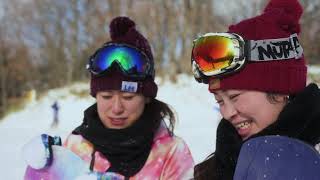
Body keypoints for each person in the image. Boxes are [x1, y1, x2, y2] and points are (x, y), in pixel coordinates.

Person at [190, 0, 320, 179]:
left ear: (280, 90)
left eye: (234, 97)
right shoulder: (214, 168)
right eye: (219, 101)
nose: (227, 113)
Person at [62, 16, 194, 179]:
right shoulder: (74, 147)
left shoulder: (171, 152)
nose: (117, 108)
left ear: (146, 97)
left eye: (128, 97)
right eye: (106, 96)